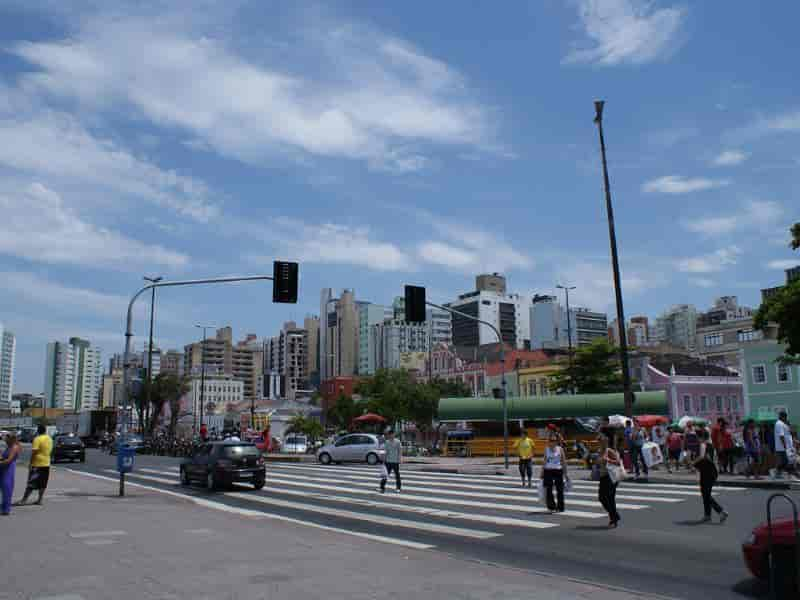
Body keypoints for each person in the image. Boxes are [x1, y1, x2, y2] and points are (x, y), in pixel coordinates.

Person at [694, 429, 728, 523]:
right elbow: (714, 459)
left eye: (697, 436)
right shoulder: (711, 446)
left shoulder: (703, 445)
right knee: (705, 494)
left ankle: (721, 511)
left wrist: (693, 463)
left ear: (700, 437)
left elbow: (701, 457)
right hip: (712, 471)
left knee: (706, 494)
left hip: (706, 472)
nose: (697, 439)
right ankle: (707, 515)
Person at [16, 425, 53, 506]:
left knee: (31, 483)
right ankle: (40, 500)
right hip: (46, 463)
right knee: (43, 483)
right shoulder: (49, 438)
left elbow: (34, 452)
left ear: (38, 431)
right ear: (45, 430)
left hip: (37, 464)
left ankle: (23, 500)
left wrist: (31, 463)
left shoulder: (37, 439)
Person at [597, 434, 621, 528]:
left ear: (606, 441)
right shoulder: (600, 451)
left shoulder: (609, 451)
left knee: (610, 499)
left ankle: (613, 519)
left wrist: (608, 460)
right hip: (603, 477)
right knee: (602, 498)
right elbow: (599, 463)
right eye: (599, 441)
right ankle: (614, 516)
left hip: (611, 477)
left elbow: (618, 462)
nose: (599, 442)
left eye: (601, 440)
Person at [540, 433, 568, 513]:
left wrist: (566, 473)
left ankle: (560, 507)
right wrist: (542, 472)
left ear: (557, 441)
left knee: (560, 489)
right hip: (548, 470)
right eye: (551, 440)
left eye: (554, 440)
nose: (552, 442)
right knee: (548, 489)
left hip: (558, 470)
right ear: (549, 441)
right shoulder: (546, 449)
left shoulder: (560, 449)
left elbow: (563, 461)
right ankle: (551, 506)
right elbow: (544, 461)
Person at [774, 411, 799, 481]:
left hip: (787, 447)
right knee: (789, 462)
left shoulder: (783, 424)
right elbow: (781, 436)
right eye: (785, 417)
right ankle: (792, 475)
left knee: (785, 462)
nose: (786, 418)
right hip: (783, 447)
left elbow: (790, 434)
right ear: (783, 417)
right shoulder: (779, 424)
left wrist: (789, 425)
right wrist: (786, 447)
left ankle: (777, 473)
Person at [1, 433, 22, 515]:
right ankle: (4, 508)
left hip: (8, 470)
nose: (4, 440)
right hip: (3, 469)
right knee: (4, 488)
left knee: (7, 488)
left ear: (10, 439)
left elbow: (9, 460)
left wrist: (1, 461)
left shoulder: (14, 447)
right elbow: (4, 457)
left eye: (6, 439)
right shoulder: (8, 447)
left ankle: (6, 509)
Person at [380, 428, 402, 494]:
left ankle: (398, 488)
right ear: (389, 435)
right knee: (386, 475)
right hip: (388, 461)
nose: (391, 435)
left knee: (397, 475)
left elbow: (400, 451)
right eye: (390, 434)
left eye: (392, 434)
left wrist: (400, 458)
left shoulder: (398, 441)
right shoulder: (387, 442)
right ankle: (382, 487)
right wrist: (383, 459)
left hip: (395, 461)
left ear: (394, 434)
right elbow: (385, 451)